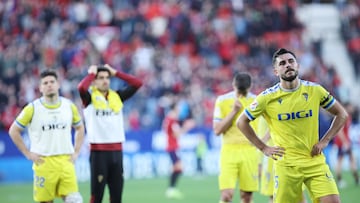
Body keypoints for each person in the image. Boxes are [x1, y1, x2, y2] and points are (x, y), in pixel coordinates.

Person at [236, 48, 348, 203]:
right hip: (286, 166)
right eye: (282, 63)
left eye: (291, 61)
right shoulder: (267, 97)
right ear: (276, 71)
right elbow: (241, 122)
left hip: (314, 162)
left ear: (297, 66)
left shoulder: (315, 90)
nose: (287, 65)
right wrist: (263, 147)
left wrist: (325, 140)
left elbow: (342, 114)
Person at [8, 69, 85, 203]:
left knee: (74, 200)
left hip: (66, 161)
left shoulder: (69, 106)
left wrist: (77, 151)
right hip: (44, 163)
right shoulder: (32, 108)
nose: (49, 85)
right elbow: (13, 130)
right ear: (40, 88)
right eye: (45, 83)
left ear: (58, 84)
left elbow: (80, 127)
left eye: (52, 82)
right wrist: (28, 153)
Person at [77, 64, 142, 203]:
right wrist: (90, 74)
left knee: (117, 197)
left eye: (107, 77)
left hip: (117, 153)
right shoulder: (89, 99)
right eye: (100, 78)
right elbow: (81, 87)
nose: (105, 80)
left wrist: (116, 72)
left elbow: (138, 83)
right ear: (94, 81)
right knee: (97, 197)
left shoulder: (117, 96)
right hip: (99, 153)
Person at [213, 72, 260, 203]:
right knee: (226, 195)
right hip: (229, 150)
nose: (241, 94)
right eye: (239, 91)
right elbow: (217, 130)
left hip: (250, 151)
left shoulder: (257, 101)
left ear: (250, 87)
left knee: (247, 196)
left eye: (244, 92)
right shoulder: (222, 100)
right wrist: (234, 111)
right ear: (233, 85)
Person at [162, 101, 195, 199]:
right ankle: (171, 189)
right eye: (178, 107)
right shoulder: (172, 120)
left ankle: (171, 189)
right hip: (172, 147)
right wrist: (186, 127)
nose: (180, 109)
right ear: (175, 108)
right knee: (178, 168)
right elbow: (176, 134)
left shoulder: (169, 119)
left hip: (172, 146)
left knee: (177, 168)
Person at [334, 102, 359, 188]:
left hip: (346, 142)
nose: (352, 108)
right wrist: (345, 143)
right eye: (350, 106)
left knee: (351, 159)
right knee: (340, 161)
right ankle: (340, 180)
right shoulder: (343, 116)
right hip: (343, 143)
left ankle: (356, 179)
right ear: (346, 107)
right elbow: (339, 131)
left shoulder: (349, 116)